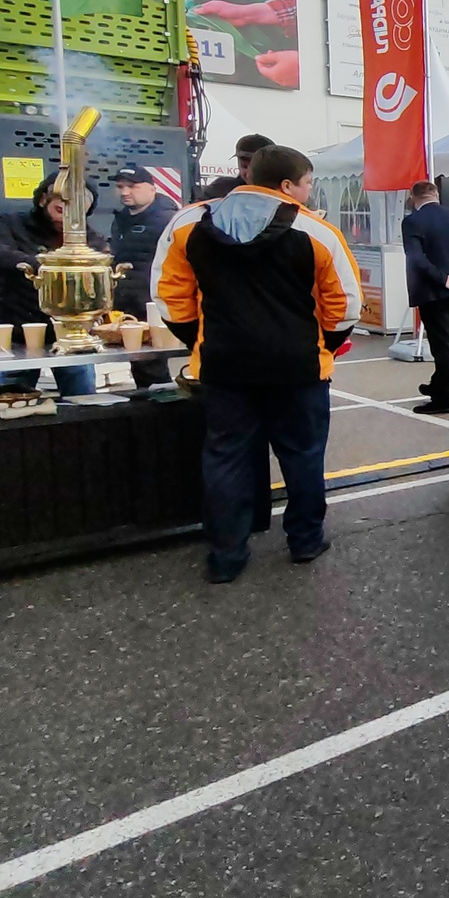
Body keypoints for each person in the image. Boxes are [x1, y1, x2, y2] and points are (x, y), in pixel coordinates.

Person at [154, 145, 361, 583]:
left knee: (226, 457)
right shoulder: (316, 233)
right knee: (303, 455)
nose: (308, 193)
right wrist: (324, 344)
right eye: (307, 184)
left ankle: (226, 555)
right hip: (299, 367)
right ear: (287, 185)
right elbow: (345, 305)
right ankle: (305, 541)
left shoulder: (189, 224)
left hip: (224, 365)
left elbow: (169, 297)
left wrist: (199, 340)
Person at [0, 169, 102, 397]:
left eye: (77, 208)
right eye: (61, 204)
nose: (67, 212)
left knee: (83, 398)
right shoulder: (9, 223)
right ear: (44, 198)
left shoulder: (89, 238)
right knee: (7, 398)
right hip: (16, 328)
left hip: (69, 333)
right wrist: (44, 265)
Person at [401, 180, 449, 415]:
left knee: (441, 344)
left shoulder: (412, 221)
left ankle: (447, 397)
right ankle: (439, 384)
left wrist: (441, 278)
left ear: (413, 197)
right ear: (436, 194)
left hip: (431, 290)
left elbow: (415, 258)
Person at [108, 163, 179, 387]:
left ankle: (163, 407)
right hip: (128, 304)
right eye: (120, 186)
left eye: (133, 186)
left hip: (153, 304)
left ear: (152, 188)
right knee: (139, 363)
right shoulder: (121, 219)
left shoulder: (167, 219)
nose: (125, 192)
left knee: (152, 363)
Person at [200, 133, 275, 200]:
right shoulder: (220, 189)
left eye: (256, 168)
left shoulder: (281, 193)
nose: (249, 174)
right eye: (245, 166)